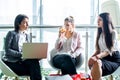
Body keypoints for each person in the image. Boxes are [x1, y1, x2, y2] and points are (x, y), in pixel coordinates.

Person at [2, 14, 42, 80]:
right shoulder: (11, 34)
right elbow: (7, 50)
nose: (27, 24)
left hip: (22, 61)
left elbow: (29, 49)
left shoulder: (27, 35)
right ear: (18, 23)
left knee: (34, 62)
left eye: (28, 22)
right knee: (34, 70)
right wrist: (22, 54)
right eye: (25, 22)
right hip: (11, 62)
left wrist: (35, 56)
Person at [88, 12, 120, 80]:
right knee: (95, 62)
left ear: (106, 21)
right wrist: (91, 58)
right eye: (97, 19)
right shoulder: (100, 34)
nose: (97, 21)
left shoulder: (113, 33)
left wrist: (96, 57)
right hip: (104, 58)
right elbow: (98, 50)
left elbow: (109, 51)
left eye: (100, 20)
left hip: (113, 59)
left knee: (96, 62)